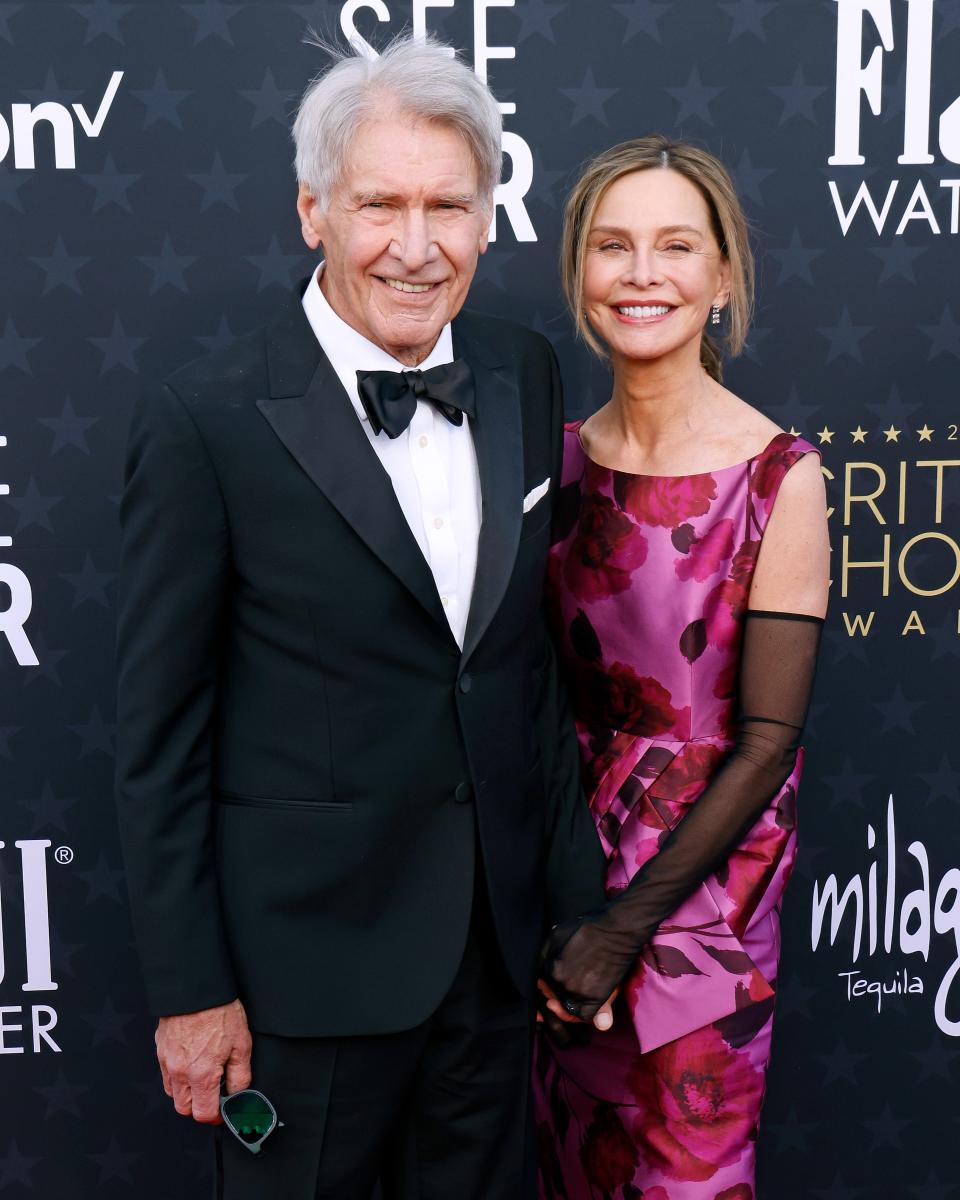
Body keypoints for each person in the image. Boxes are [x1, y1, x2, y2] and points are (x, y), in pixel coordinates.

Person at [114, 37, 605, 1200]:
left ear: (490, 217)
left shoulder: (524, 374)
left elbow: (515, 665)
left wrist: (573, 910)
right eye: (380, 204)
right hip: (299, 982)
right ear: (313, 212)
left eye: (450, 205)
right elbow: (160, 738)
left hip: (493, 970)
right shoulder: (207, 422)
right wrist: (192, 991)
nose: (417, 245)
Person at [533, 136, 830, 1199]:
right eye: (613, 247)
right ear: (579, 274)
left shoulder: (779, 477)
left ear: (722, 279)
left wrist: (625, 927)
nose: (642, 273)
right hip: (557, 888)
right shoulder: (550, 457)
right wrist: (575, 912)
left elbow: (766, 743)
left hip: (703, 904)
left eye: (675, 247)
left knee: (683, 1177)